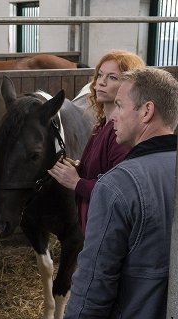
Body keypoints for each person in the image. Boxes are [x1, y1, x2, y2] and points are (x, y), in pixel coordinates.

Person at [58, 67, 178, 319]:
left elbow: (96, 279)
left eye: (121, 106)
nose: (112, 116)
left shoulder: (118, 185)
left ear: (147, 111)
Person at [47, 50, 145, 233]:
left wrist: (77, 182)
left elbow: (121, 192)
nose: (101, 82)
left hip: (111, 230)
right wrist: (79, 168)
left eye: (113, 77)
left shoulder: (121, 134)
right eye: (100, 75)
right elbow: (104, 173)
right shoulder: (101, 126)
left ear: (129, 85)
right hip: (96, 226)